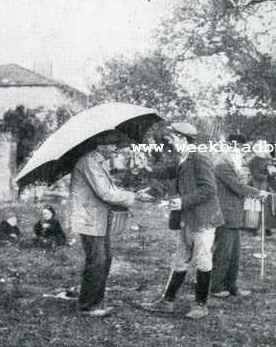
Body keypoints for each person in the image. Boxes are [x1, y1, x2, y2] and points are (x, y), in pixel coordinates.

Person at [141, 122, 223, 319]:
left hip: (203, 219)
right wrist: (147, 170)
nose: (170, 143)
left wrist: (182, 201)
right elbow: (171, 171)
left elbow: (209, 190)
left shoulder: (200, 158)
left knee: (203, 260)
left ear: (183, 139)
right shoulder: (184, 157)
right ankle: (167, 301)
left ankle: (201, 305)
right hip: (188, 218)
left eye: (172, 139)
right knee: (180, 259)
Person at [70, 130, 143, 317]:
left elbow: (109, 189)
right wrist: (134, 196)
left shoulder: (98, 162)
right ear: (101, 145)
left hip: (97, 219)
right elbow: (105, 193)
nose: (115, 148)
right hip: (88, 219)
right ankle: (87, 306)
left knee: (105, 259)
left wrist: (127, 194)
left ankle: (96, 302)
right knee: (97, 261)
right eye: (112, 144)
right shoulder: (89, 163)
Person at [210, 134, 267, 298]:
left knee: (234, 254)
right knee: (223, 252)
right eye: (241, 148)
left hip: (233, 213)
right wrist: (258, 192)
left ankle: (231, 286)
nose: (243, 151)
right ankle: (216, 287)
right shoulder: (221, 164)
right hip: (225, 212)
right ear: (230, 146)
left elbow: (241, 182)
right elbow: (237, 186)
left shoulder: (231, 161)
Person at [248, 140, 276, 236]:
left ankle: (268, 227)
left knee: (268, 207)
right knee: (255, 207)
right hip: (257, 185)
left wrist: (273, 172)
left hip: (267, 185)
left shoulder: (268, 159)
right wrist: (267, 175)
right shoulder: (253, 161)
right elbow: (255, 174)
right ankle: (254, 227)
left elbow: (272, 169)